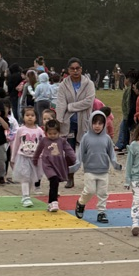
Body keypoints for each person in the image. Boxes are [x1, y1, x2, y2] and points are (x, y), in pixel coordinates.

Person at [71, 110, 122, 224]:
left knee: (103, 193)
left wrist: (115, 164)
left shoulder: (107, 138)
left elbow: (111, 154)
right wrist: (76, 165)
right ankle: (81, 203)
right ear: (90, 123)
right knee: (90, 190)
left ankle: (101, 212)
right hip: (90, 170)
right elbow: (80, 153)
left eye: (100, 123)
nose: (97, 126)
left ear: (104, 124)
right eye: (95, 123)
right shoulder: (86, 137)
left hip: (104, 170)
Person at [54, 58, 96, 189]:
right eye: (72, 69)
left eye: (77, 68)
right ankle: (70, 177)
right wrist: (59, 121)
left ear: (81, 69)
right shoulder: (63, 85)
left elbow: (89, 101)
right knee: (70, 152)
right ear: (68, 70)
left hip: (85, 122)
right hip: (69, 123)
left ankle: (91, 178)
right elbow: (61, 104)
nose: (75, 71)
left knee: (88, 151)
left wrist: (70, 106)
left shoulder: (89, 84)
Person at [32, 119, 76, 212]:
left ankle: (50, 203)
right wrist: (35, 160)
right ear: (46, 132)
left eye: (54, 133)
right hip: (47, 164)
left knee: (55, 182)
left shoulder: (62, 141)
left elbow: (69, 150)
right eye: (50, 133)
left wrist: (74, 159)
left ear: (59, 132)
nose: (52, 135)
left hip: (58, 164)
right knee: (54, 179)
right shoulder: (44, 140)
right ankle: (54, 202)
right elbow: (38, 151)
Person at [10, 105, 44, 207]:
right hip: (23, 157)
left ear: (36, 117)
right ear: (23, 117)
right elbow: (16, 144)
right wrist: (13, 158)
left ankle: (27, 195)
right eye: (27, 115)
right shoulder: (21, 130)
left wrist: (42, 155)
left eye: (32, 115)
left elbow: (43, 143)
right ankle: (25, 196)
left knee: (31, 178)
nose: (30, 117)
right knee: (25, 176)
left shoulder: (39, 131)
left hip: (35, 158)